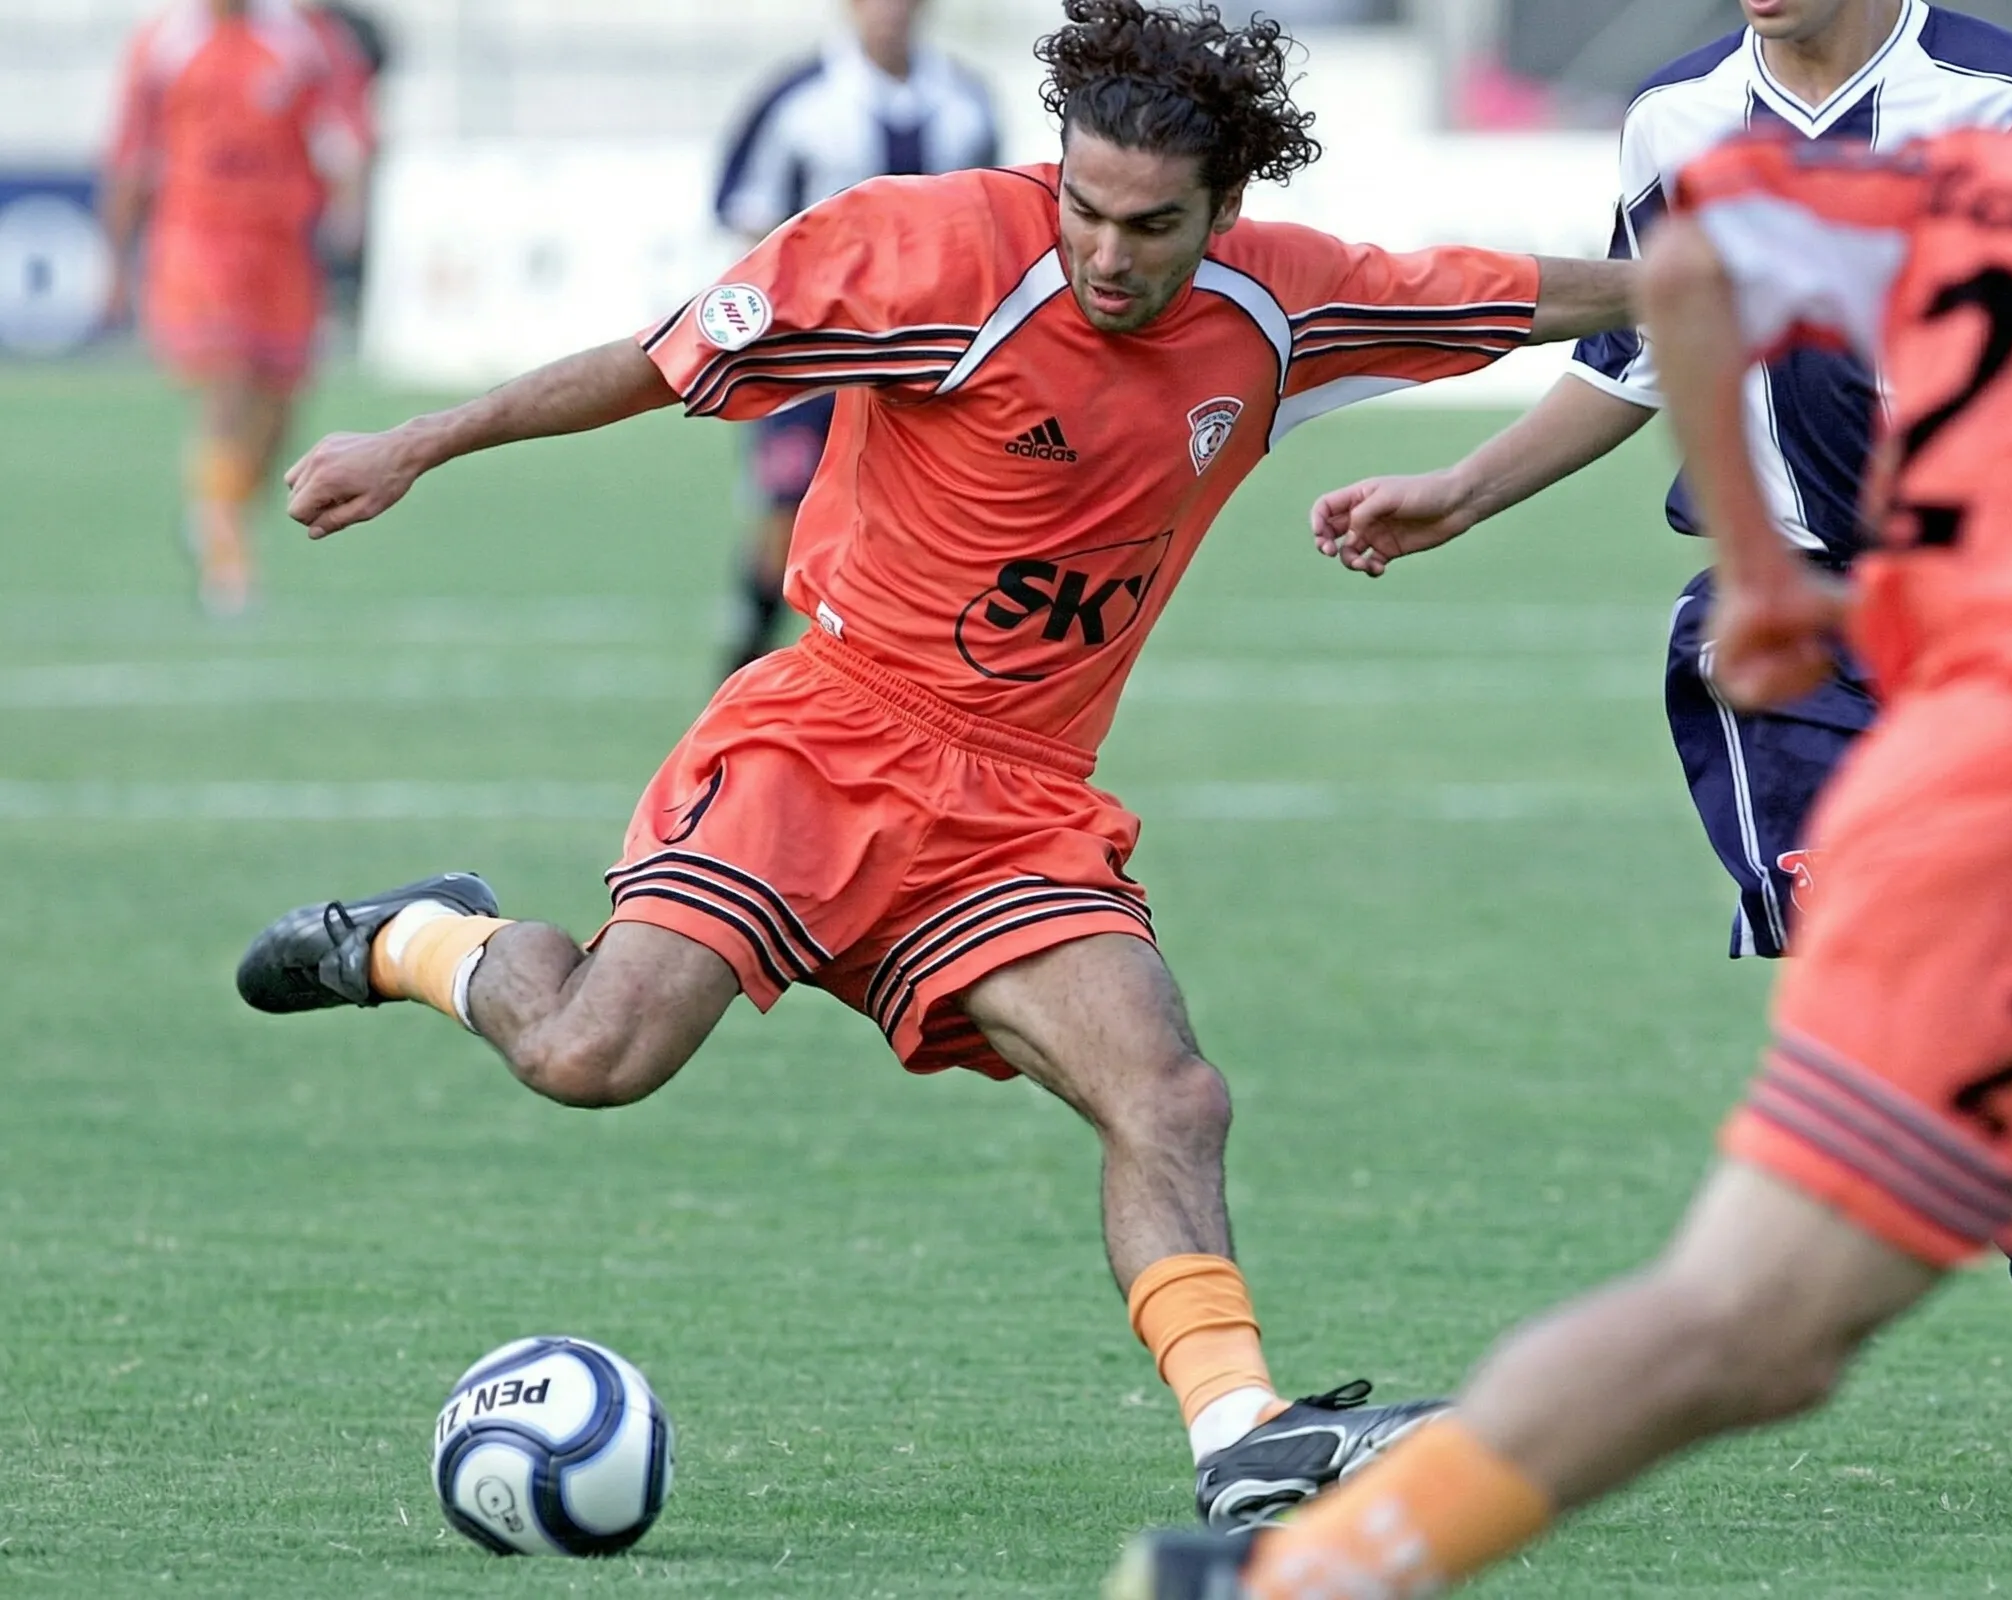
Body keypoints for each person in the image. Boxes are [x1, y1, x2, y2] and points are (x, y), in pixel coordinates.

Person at [1113, 0, 2012, 1594]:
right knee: (1764, 1321)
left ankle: (1291, 1579)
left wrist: (1753, 583)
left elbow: (1695, 273)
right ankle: (1293, 1580)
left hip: (2003, 810)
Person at [231, 0, 1633, 1531]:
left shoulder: (1290, 304)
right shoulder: (931, 256)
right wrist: (420, 443)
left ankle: (1243, 1432)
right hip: (825, 739)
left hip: (1020, 803)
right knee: (590, 1057)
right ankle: (420, 936)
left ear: (1227, 210)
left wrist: (1728, 268)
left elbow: (1538, 294)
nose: (1107, 253)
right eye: (1083, 207)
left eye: (1150, 226)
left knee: (1169, 1094)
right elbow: (662, 358)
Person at [1308, 0, 2012, 1501]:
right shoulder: (1680, 116)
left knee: (1976, 1078)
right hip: (1784, 669)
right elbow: (1642, 345)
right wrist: (1464, 490)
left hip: (1992, 662)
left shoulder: (2005, 103)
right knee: (1939, 1058)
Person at [714, 0, 1004, 678]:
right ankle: (741, 670)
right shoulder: (795, 101)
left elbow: (993, 221)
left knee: (929, 528)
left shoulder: (967, 103)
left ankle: (914, 686)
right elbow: (748, 219)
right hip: (811, 359)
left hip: (930, 362)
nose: (889, 11)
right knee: (784, 522)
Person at [102, 0, 373, 617]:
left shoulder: (305, 37)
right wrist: (116, 258)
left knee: (280, 413)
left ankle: (218, 513)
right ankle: (228, 564)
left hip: (281, 244)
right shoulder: (165, 41)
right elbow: (132, 154)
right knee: (228, 383)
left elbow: (346, 130)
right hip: (195, 236)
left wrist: (348, 209)